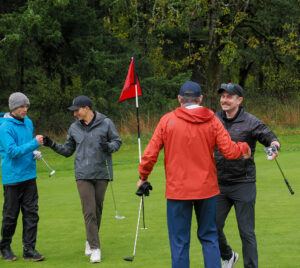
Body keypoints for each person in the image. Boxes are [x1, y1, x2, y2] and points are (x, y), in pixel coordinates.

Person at [137, 81, 251, 268]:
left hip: (178, 191)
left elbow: (150, 154)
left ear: (180, 99)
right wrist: (244, 147)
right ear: (200, 99)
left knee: (179, 241)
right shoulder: (213, 120)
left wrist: (143, 176)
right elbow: (230, 151)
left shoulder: (167, 120)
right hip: (207, 190)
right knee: (209, 237)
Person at [43, 95, 121, 263]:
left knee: (97, 210)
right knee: (89, 211)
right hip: (83, 175)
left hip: (102, 173)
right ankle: (95, 248)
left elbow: (117, 142)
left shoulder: (106, 123)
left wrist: (109, 146)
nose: (74, 114)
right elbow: (67, 151)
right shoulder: (74, 128)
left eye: (76, 110)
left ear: (86, 109)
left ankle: (89, 240)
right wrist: (52, 144)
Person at [214, 83, 280, 268]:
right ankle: (228, 256)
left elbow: (271, 138)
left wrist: (273, 148)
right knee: (212, 227)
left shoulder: (251, 121)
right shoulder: (213, 119)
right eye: (222, 96)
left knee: (246, 232)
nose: (224, 100)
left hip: (243, 183)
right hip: (218, 184)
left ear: (239, 100)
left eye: (229, 96)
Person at [0, 92, 45, 262]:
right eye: (22, 107)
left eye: (27, 106)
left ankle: (29, 249)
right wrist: (34, 143)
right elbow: (11, 152)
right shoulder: (5, 127)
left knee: (31, 214)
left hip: (29, 175)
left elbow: (24, 147)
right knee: (11, 215)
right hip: (12, 177)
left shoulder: (28, 123)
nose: (25, 109)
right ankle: (4, 247)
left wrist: (33, 152)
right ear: (13, 108)